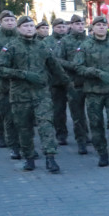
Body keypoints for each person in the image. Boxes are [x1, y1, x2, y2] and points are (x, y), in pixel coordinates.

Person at [0, 15, 67, 173]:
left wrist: (68, 82)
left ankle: (50, 157)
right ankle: (28, 158)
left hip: (41, 94)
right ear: (19, 28)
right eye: (25, 26)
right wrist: (24, 74)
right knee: (24, 128)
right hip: (20, 96)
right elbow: (0, 69)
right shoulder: (11, 47)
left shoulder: (42, 46)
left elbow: (55, 67)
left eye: (31, 26)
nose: (29, 29)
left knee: (46, 124)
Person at [72, 16, 109, 167]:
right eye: (98, 25)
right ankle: (102, 152)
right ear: (93, 28)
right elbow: (77, 67)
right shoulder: (85, 46)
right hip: (93, 92)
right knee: (96, 124)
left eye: (104, 25)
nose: (101, 27)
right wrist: (96, 73)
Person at [57, 15, 91, 155]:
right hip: (74, 82)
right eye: (77, 23)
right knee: (77, 115)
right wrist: (73, 66)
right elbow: (58, 59)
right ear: (71, 25)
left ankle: (90, 135)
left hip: (90, 81)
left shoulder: (89, 41)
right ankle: (81, 141)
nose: (80, 26)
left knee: (93, 114)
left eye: (82, 23)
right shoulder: (65, 41)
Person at [0, 11, 20, 157]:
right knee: (7, 115)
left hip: (22, 84)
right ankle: (12, 145)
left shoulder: (21, 36)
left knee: (23, 117)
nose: (10, 22)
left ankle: (26, 146)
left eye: (12, 20)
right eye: (6, 20)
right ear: (1, 22)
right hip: (2, 83)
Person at [44, 18, 71, 146]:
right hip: (56, 82)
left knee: (78, 110)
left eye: (63, 27)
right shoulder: (46, 42)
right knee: (58, 110)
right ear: (53, 28)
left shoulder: (70, 40)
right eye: (59, 27)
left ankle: (82, 134)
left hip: (72, 80)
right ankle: (61, 133)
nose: (62, 29)